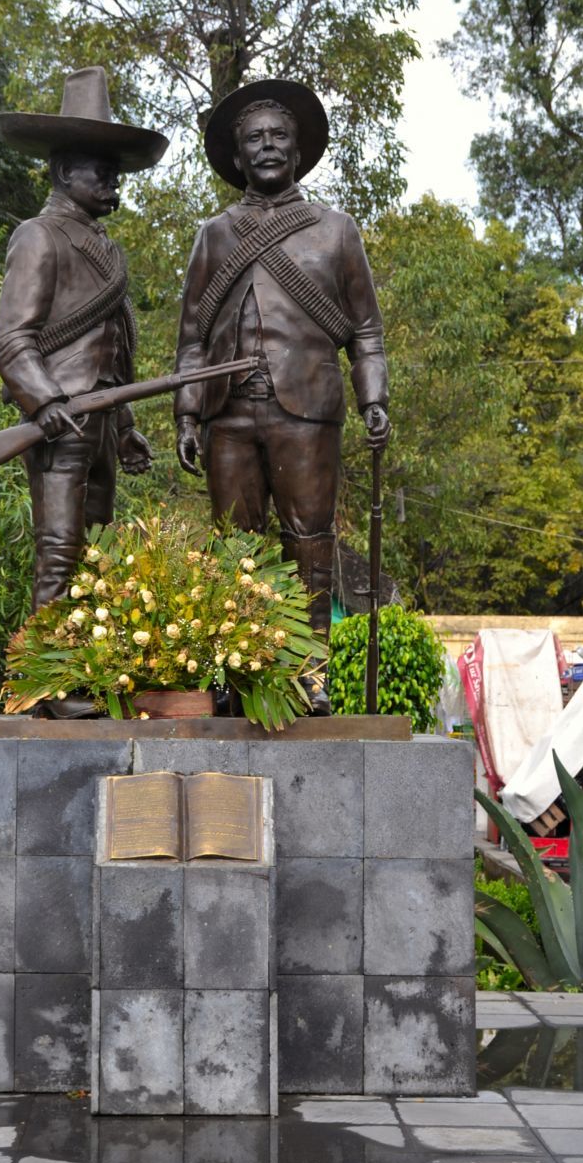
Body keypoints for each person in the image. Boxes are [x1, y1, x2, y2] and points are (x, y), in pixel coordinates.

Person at [174, 79, 390, 703]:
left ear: (298, 151)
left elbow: (367, 331)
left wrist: (374, 399)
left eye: (278, 137)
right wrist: (187, 417)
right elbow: (191, 336)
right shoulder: (214, 235)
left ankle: (307, 674)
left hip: (308, 410)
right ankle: (238, 676)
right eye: (254, 139)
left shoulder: (336, 230)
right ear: (237, 156)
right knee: (233, 550)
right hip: (228, 415)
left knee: (309, 543)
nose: (267, 147)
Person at [0, 67, 169, 611]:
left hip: (103, 417)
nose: (114, 183)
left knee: (97, 552)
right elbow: (10, 339)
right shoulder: (38, 237)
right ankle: (47, 679)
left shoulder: (107, 250)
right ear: (66, 171)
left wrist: (126, 428)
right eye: (103, 172)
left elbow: (117, 345)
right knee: (60, 550)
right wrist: (43, 401)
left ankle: (81, 672)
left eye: (116, 173)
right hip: (60, 420)